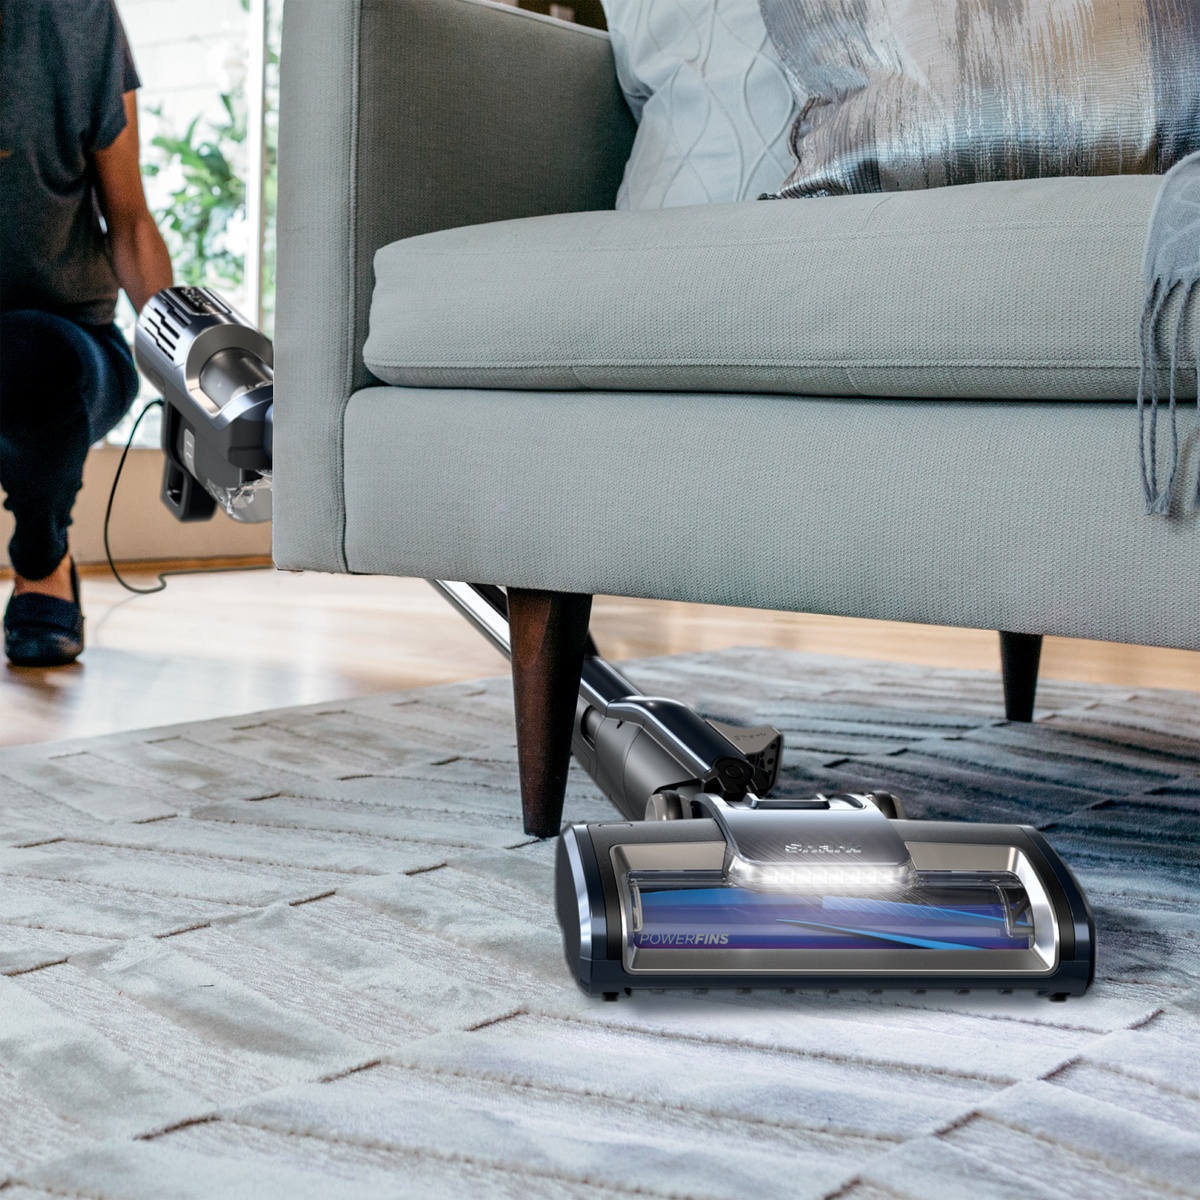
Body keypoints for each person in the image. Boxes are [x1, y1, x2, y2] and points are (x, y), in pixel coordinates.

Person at [0, 0, 172, 667]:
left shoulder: (76, 19)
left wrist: (192, 374)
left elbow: (129, 221)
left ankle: (42, 562)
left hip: (65, 349)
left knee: (27, 353)